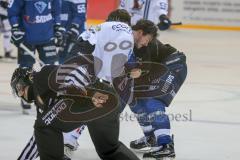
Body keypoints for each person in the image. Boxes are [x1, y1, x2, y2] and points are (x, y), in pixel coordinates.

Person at [14, 19, 140, 160]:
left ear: (29, 79)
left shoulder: (42, 75)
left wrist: (91, 94)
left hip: (94, 95)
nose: (20, 93)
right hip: (107, 97)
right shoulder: (42, 101)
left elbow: (74, 79)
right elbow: (37, 141)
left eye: (19, 88)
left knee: (44, 127)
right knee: (110, 150)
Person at [128, 19, 187, 159]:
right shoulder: (126, 40)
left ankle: (166, 145)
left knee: (152, 100)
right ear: (140, 33)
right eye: (147, 39)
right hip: (158, 69)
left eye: (149, 40)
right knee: (134, 99)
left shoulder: (145, 46)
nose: (147, 42)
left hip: (174, 65)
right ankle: (151, 137)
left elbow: (143, 70)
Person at [7, 0, 65, 114]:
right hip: (26, 37)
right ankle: (25, 96)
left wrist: (58, 28)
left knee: (51, 69)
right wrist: (15, 28)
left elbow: (56, 11)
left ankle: (50, 97)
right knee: (25, 69)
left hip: (47, 36)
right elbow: (13, 11)